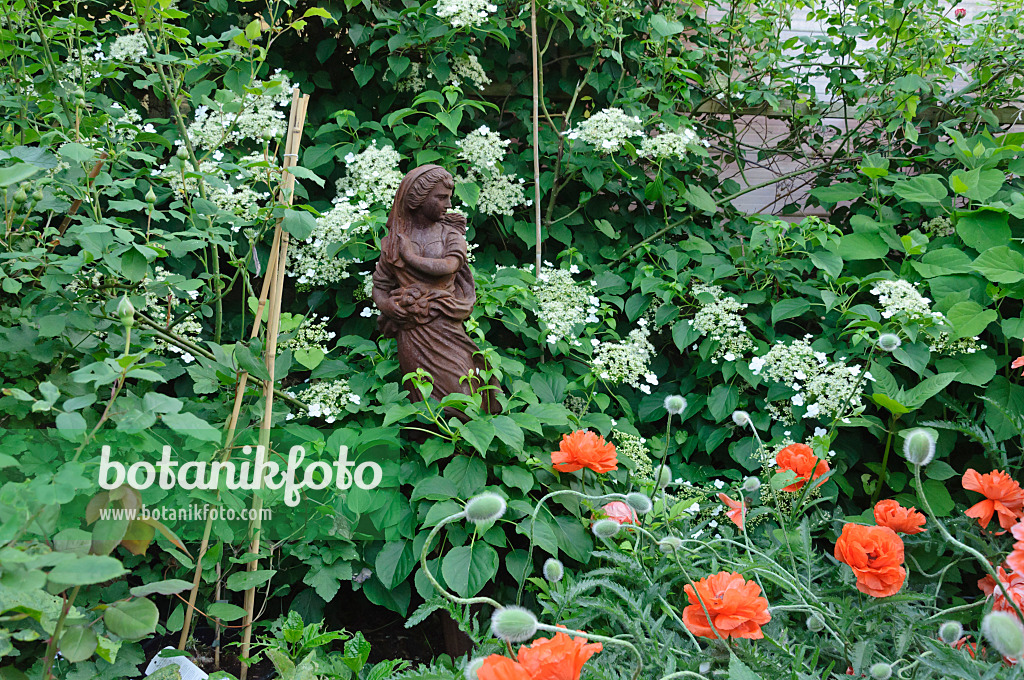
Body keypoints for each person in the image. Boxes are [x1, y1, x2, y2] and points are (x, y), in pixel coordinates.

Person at [372, 164, 501, 422]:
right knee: (425, 398)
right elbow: (381, 285)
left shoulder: (449, 235)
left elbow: (450, 266)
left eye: (449, 197)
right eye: (441, 197)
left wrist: (410, 256)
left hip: (446, 324)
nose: (448, 203)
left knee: (465, 387)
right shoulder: (394, 242)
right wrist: (387, 306)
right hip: (413, 333)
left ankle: (471, 441)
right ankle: (438, 448)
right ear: (417, 200)